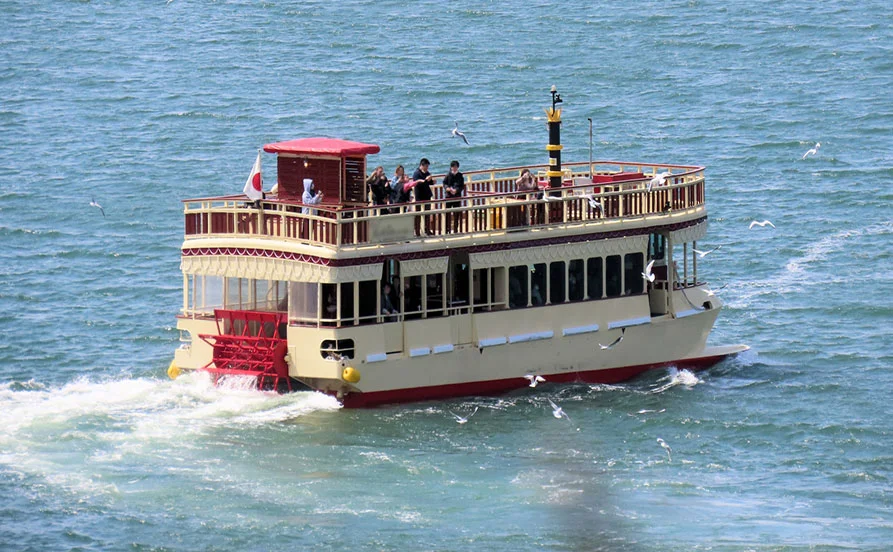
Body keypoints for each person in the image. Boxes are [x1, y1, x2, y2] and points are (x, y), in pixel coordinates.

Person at [412, 158, 435, 235]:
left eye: (427, 166)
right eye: (426, 166)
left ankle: (427, 229)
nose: (427, 168)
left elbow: (429, 182)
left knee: (427, 213)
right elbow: (418, 183)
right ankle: (417, 231)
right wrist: (426, 180)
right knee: (418, 214)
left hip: (427, 195)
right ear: (422, 165)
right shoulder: (416, 173)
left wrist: (432, 181)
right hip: (419, 196)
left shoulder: (427, 172)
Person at [442, 160, 465, 233]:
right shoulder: (448, 175)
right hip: (449, 196)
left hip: (457, 196)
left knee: (456, 214)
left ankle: (455, 229)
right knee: (447, 213)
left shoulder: (460, 175)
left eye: (456, 167)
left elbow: (461, 186)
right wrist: (447, 188)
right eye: (453, 167)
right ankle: (447, 229)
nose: (454, 168)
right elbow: (444, 183)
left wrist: (457, 190)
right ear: (451, 167)